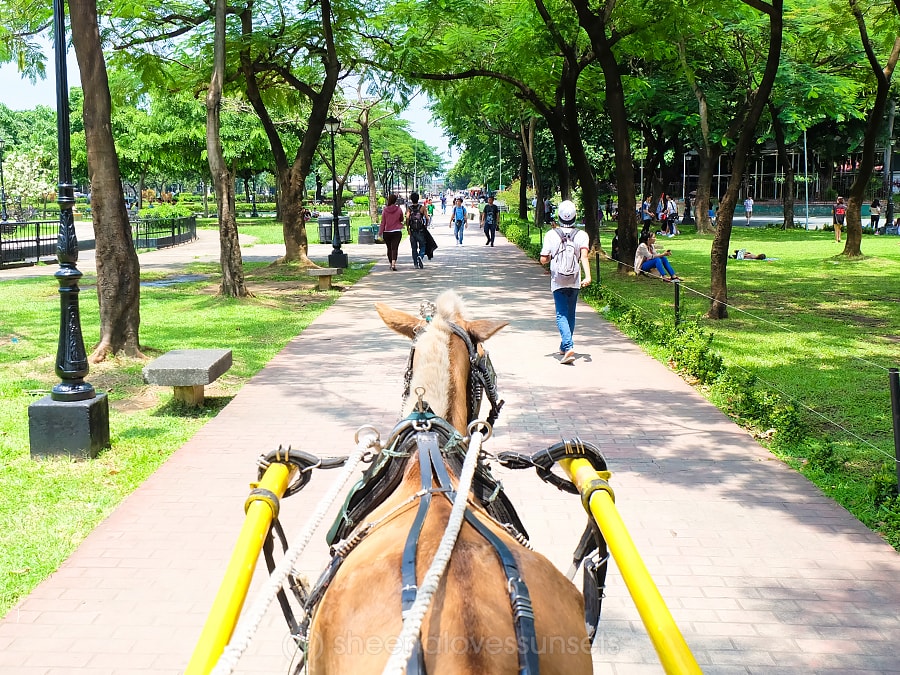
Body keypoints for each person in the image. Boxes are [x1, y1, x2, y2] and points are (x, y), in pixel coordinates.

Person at [538, 200, 591, 365]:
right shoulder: (582, 235)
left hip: (558, 280)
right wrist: (588, 276)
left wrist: (551, 256)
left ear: (558, 216)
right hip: (574, 279)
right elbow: (584, 257)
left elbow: (543, 260)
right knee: (570, 314)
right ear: (575, 216)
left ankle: (568, 347)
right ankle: (564, 345)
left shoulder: (551, 235)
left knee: (561, 314)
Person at [378, 193, 404, 271]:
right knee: (394, 248)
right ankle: (393, 264)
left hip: (387, 232)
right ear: (395, 200)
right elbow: (401, 219)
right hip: (396, 232)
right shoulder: (399, 209)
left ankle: (390, 263)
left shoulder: (385, 210)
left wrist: (380, 232)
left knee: (389, 248)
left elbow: (383, 222)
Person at [406, 191, 428, 268]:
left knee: (414, 248)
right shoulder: (422, 208)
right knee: (423, 245)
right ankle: (420, 256)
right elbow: (427, 218)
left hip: (412, 230)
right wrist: (426, 225)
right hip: (420, 230)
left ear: (411, 199)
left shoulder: (409, 208)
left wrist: (408, 228)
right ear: (418, 199)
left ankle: (415, 264)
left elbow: (407, 218)